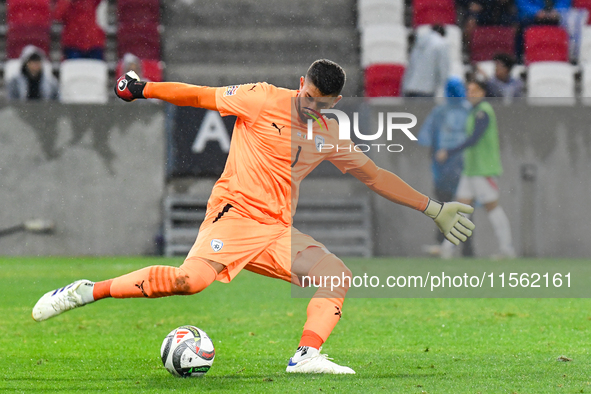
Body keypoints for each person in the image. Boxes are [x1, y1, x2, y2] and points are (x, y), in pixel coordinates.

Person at [32, 60, 475, 374]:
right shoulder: (261, 98)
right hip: (235, 215)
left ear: (336, 100)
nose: (310, 106)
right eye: (307, 96)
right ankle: (86, 291)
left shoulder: (329, 134)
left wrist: (433, 208)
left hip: (276, 230)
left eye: (321, 102)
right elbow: (198, 96)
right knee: (190, 282)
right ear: (301, 83)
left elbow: (375, 176)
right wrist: (143, 87)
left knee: (335, 274)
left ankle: (306, 356)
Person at [435, 79, 515, 259]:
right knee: (462, 209)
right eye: (468, 90)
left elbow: (474, 139)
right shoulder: (473, 112)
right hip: (470, 170)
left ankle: (507, 248)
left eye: (474, 90)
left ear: (482, 92)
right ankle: (447, 249)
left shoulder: (484, 112)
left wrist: (449, 151)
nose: (470, 94)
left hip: (483, 170)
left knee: (492, 208)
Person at [418, 77, 474, 257]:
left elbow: (427, 138)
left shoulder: (442, 112)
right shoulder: (466, 111)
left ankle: (446, 246)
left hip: (448, 168)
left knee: (445, 207)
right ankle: (463, 249)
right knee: (462, 208)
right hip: (460, 167)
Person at [402, 25, 450, 97]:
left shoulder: (419, 41)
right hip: (426, 89)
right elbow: (443, 68)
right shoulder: (441, 43)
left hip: (409, 87)